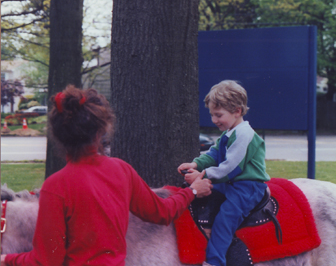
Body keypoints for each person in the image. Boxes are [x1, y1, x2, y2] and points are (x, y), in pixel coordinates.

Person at [1, 85, 212, 266]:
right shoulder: (121, 170)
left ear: (58, 136)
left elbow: (46, 261)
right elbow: (162, 213)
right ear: (101, 131)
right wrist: (192, 191)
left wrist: (7, 259)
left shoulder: (55, 186)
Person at [177, 80, 270, 266]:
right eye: (212, 114)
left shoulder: (245, 135)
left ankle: (214, 262)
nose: (214, 120)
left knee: (224, 220)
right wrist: (195, 163)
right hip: (231, 183)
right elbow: (213, 154)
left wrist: (201, 176)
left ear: (237, 111)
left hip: (247, 187)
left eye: (218, 115)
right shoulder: (229, 132)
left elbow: (231, 167)